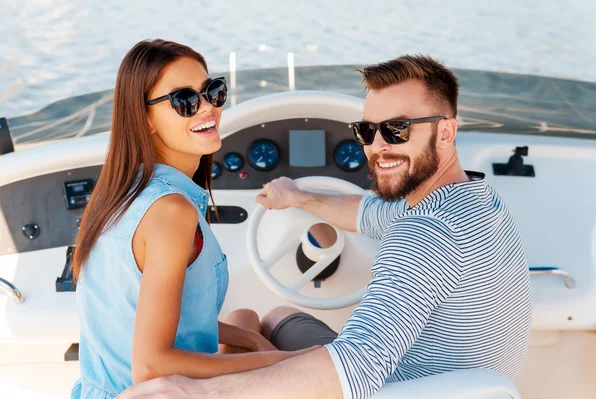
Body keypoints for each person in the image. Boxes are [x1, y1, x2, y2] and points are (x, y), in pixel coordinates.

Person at [118, 54, 532, 399]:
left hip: (393, 388)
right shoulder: (475, 201)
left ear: (446, 131)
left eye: (397, 129)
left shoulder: (424, 235)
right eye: (367, 131)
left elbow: (356, 368)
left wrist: (196, 392)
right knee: (277, 316)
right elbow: (366, 213)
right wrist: (298, 198)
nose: (378, 147)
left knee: (241, 336)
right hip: (467, 386)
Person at [70, 39, 314, 399]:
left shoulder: (118, 192)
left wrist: (248, 340)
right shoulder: (171, 212)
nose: (207, 109)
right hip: (149, 390)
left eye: (213, 92)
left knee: (246, 320)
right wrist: (285, 361)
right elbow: (151, 367)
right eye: (184, 100)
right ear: (145, 119)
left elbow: (151, 318)